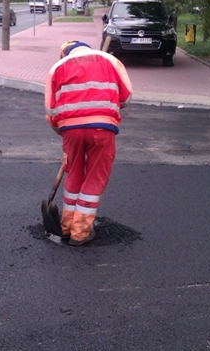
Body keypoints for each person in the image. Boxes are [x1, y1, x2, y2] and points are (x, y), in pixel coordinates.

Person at [44, 40, 132, 246]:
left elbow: (50, 111)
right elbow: (126, 97)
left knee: (73, 173)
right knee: (94, 176)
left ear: (64, 53)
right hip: (103, 128)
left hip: (70, 130)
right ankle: (81, 232)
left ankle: (66, 226)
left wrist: (62, 131)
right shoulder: (110, 60)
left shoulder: (57, 67)